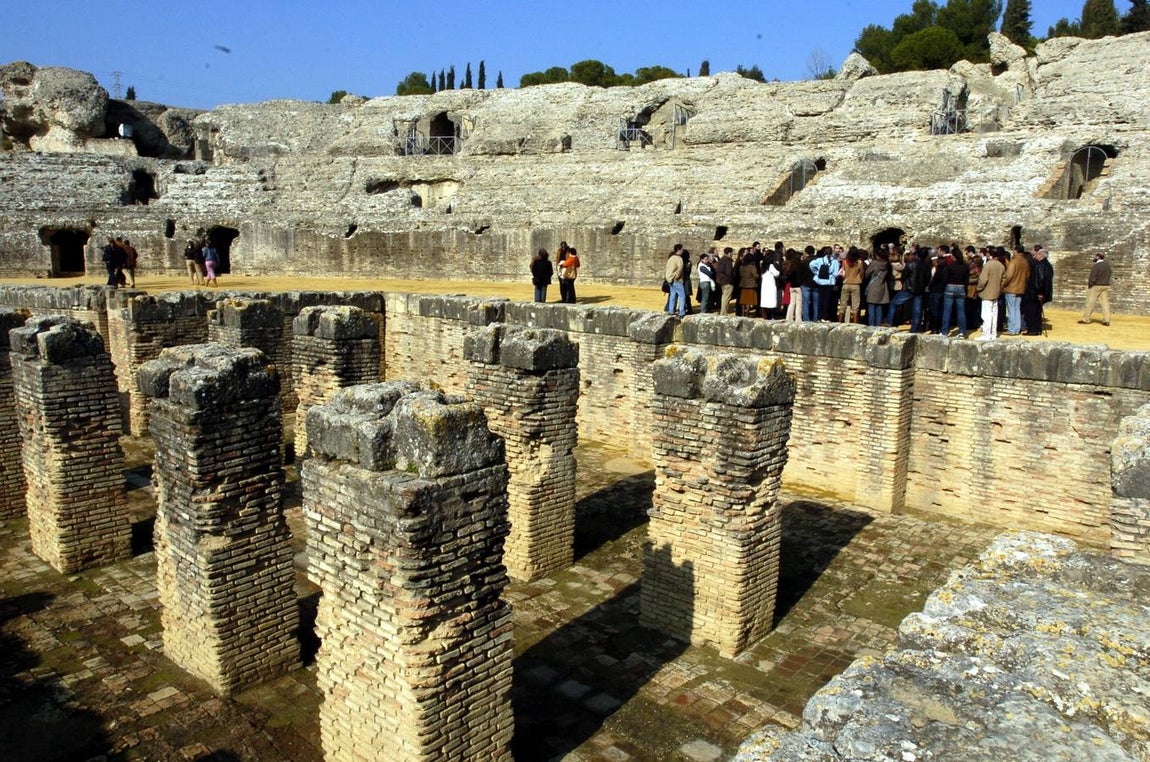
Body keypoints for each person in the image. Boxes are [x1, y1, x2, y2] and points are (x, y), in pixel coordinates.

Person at [938, 249, 970, 337]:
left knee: (947, 310)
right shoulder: (965, 266)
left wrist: (944, 287)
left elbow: (945, 279)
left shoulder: (950, 266)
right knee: (961, 311)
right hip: (961, 287)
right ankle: (962, 331)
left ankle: (944, 331)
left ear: (953, 256)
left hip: (950, 287)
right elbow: (967, 280)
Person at [975, 249, 1005, 341]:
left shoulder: (988, 265)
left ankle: (986, 334)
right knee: (994, 314)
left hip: (987, 292)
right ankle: (993, 333)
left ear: (990, 254)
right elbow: (1004, 280)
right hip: (996, 292)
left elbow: (983, 280)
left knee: (986, 314)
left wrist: (978, 288)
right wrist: (999, 289)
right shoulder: (1001, 265)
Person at [1024, 249, 1054, 335]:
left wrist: (1040, 292)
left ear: (1041, 255)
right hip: (1039, 292)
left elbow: (1041, 280)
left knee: (1032, 312)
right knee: (1037, 311)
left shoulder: (1040, 265)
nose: (1035, 256)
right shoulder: (1047, 265)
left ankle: (1033, 329)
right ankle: (1037, 329)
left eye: (1037, 254)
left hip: (1035, 293)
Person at [1001, 248, 1030, 335]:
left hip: (1011, 288)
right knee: (1017, 309)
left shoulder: (1014, 262)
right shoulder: (1025, 262)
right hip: (1021, 288)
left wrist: (1003, 284)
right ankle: (1017, 329)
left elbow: (1009, 276)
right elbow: (1028, 275)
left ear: (1016, 251)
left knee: (1011, 310)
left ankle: (1012, 329)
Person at [1078, 252, 1112, 326]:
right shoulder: (1107, 266)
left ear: (1098, 257)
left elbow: (1092, 277)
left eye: (1095, 256)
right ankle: (1106, 320)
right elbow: (1109, 274)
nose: (1094, 258)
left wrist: (1090, 285)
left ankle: (1086, 319)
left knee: (1090, 303)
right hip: (1105, 285)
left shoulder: (1096, 266)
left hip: (1096, 285)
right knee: (1105, 303)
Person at [863, 248, 891, 327]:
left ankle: (871, 325)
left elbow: (867, 274)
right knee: (879, 306)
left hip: (873, 286)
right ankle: (878, 325)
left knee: (871, 307)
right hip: (882, 286)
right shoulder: (887, 264)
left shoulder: (874, 263)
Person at [838, 249, 864, 323]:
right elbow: (862, 273)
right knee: (855, 306)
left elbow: (842, 273)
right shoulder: (859, 262)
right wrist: (859, 279)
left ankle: (840, 322)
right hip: (855, 284)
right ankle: (855, 323)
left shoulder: (845, 261)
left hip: (846, 284)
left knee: (842, 305)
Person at [664, 246, 686, 317]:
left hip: (669, 279)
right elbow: (680, 269)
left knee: (673, 295)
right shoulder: (679, 259)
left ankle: (671, 311)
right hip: (676, 280)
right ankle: (682, 312)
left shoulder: (671, 258)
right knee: (682, 296)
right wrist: (677, 277)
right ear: (678, 250)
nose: (682, 251)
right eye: (681, 250)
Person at [715, 247, 735, 315]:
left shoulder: (721, 260)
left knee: (724, 297)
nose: (732, 254)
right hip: (728, 281)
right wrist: (733, 269)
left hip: (722, 281)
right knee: (726, 298)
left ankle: (723, 312)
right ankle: (724, 312)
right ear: (729, 253)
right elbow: (729, 272)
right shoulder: (728, 261)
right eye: (732, 253)